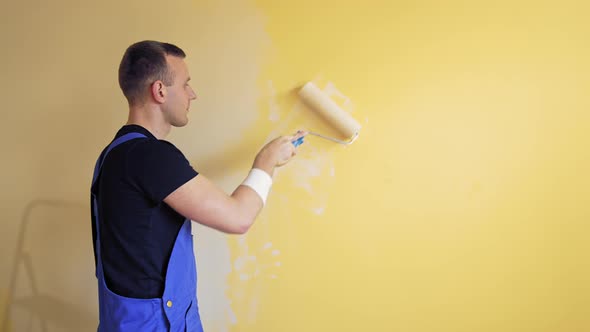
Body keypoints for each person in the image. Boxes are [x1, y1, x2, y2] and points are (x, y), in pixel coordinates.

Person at [90, 40, 306, 331]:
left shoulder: (113, 155)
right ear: (160, 91)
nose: (193, 94)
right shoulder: (150, 156)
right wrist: (266, 161)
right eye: (186, 84)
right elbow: (238, 218)